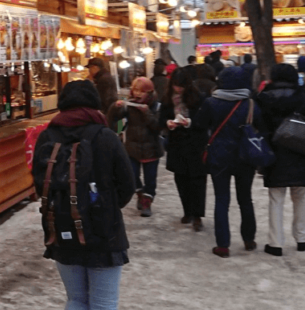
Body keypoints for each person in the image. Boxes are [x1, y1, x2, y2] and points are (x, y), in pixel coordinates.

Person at [34, 81, 135, 310]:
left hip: (61, 231)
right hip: (104, 236)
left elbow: (41, 183)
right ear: (94, 105)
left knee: (77, 300)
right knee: (104, 307)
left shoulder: (46, 136)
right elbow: (127, 186)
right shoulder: (105, 137)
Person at [194, 66, 260, 257]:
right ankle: (249, 239)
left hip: (219, 156)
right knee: (245, 198)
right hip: (245, 156)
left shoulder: (211, 102)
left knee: (222, 199)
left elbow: (199, 124)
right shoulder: (250, 103)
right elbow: (261, 125)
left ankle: (223, 244)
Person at [256, 64, 305, 256]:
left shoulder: (264, 97)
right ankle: (302, 239)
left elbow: (259, 125)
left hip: (275, 153)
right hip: (300, 150)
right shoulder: (302, 96)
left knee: (276, 198)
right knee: (299, 196)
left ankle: (276, 243)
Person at [161, 67, 209, 231]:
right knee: (181, 179)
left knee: (197, 181)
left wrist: (189, 122)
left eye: (181, 86)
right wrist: (168, 123)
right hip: (177, 144)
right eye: (175, 85)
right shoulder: (167, 98)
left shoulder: (198, 97)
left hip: (195, 144)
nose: (178, 89)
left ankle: (197, 215)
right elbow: (162, 118)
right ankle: (187, 211)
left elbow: (204, 121)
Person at [107, 77, 164, 217]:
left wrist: (146, 112)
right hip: (132, 149)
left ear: (149, 92)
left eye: (142, 91)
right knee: (132, 176)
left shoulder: (157, 107)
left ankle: (147, 203)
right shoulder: (129, 106)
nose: (138, 94)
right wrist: (115, 107)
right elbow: (113, 121)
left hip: (152, 150)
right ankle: (140, 194)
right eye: (135, 90)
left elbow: (157, 127)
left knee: (150, 180)